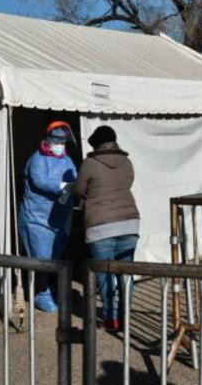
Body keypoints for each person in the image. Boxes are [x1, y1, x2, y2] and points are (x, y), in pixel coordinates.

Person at [74, 126, 140, 331]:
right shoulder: (127, 162)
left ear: (96, 144)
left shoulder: (90, 164)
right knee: (125, 272)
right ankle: (125, 316)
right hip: (129, 222)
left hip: (101, 226)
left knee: (105, 275)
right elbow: (128, 183)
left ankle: (111, 319)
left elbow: (79, 189)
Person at [18, 121, 77, 312]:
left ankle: (49, 289)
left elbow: (74, 176)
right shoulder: (37, 159)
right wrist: (62, 186)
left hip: (60, 218)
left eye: (63, 141)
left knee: (55, 257)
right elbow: (40, 181)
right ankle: (41, 293)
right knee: (42, 258)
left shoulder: (66, 159)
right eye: (57, 140)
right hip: (37, 218)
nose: (60, 144)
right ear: (49, 140)